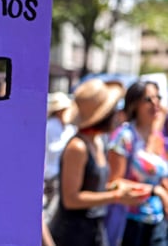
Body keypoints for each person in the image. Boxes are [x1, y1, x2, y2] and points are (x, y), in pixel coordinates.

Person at [49, 79, 150, 246]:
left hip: (93, 229)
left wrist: (122, 188)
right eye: (114, 110)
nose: (119, 115)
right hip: (73, 234)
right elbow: (71, 199)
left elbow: (95, 186)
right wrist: (116, 196)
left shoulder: (98, 141)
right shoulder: (78, 147)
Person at [108, 80, 168, 246]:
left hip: (158, 222)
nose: (155, 103)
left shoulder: (158, 137)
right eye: (148, 99)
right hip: (131, 223)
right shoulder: (124, 137)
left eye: (158, 98)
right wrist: (155, 191)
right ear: (134, 105)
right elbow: (114, 183)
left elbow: (161, 177)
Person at [43, 92, 76, 223]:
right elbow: (52, 148)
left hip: (62, 173)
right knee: (52, 208)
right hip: (53, 172)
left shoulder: (68, 127)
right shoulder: (51, 126)